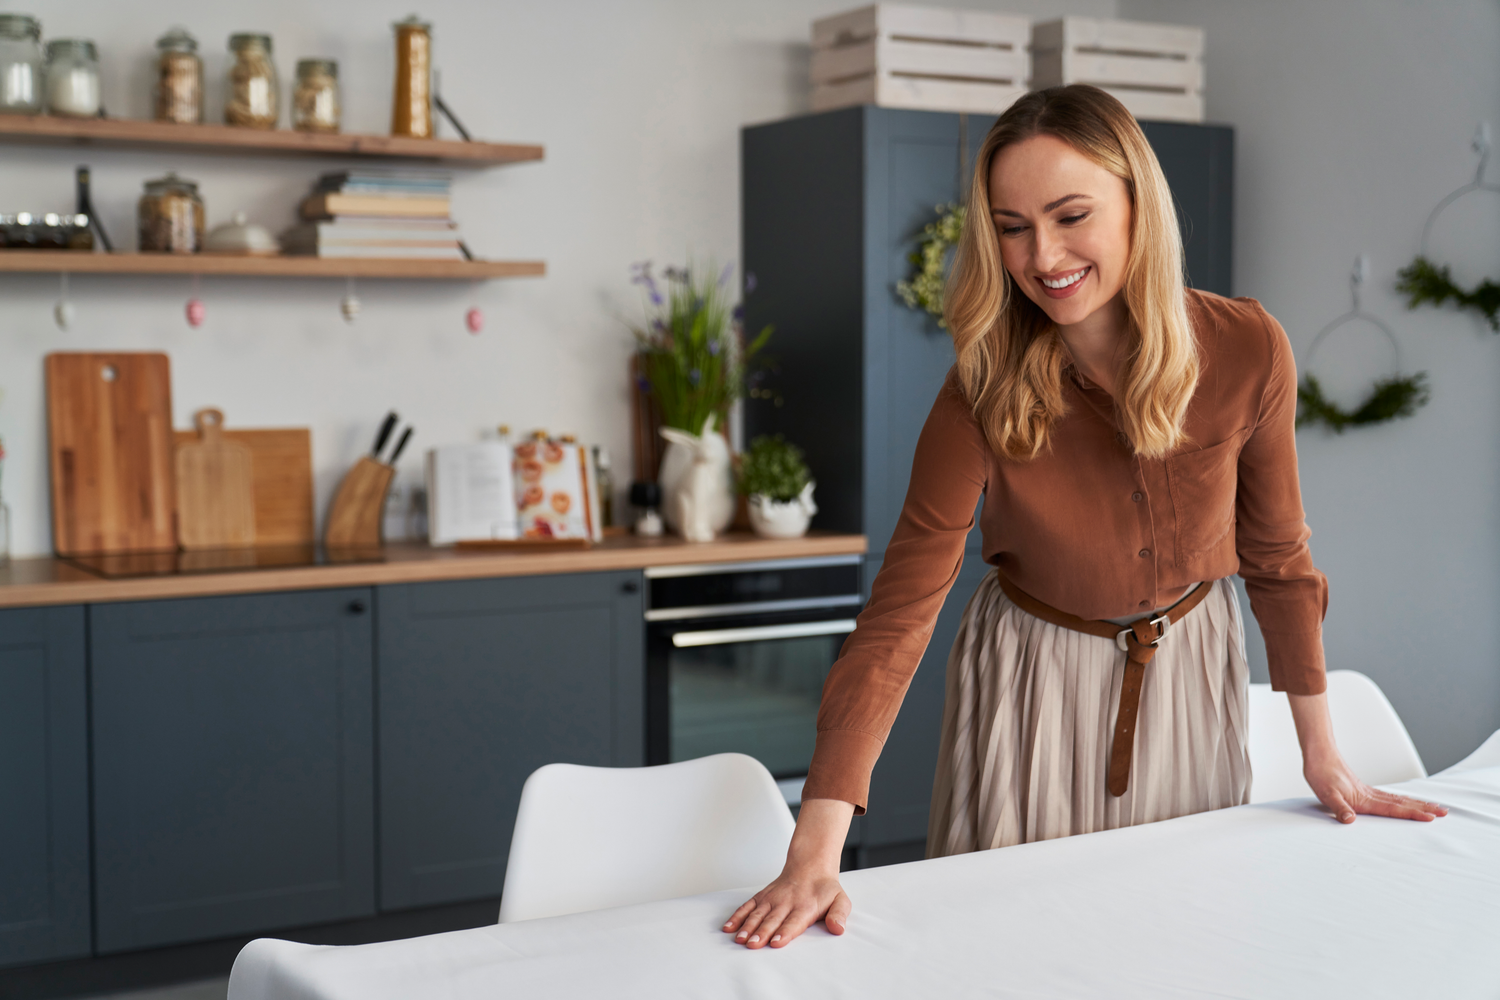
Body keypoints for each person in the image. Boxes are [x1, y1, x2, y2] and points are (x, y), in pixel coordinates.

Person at [723, 84, 1447, 951]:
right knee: (1015, 945)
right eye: (1013, 225)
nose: (1044, 254)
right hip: (1032, 679)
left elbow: (1278, 556)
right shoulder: (980, 392)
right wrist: (815, 848)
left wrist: (1320, 755)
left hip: (1190, 672)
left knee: (1186, 934)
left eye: (1072, 215)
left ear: (1138, 204)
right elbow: (900, 613)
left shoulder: (1249, 347)